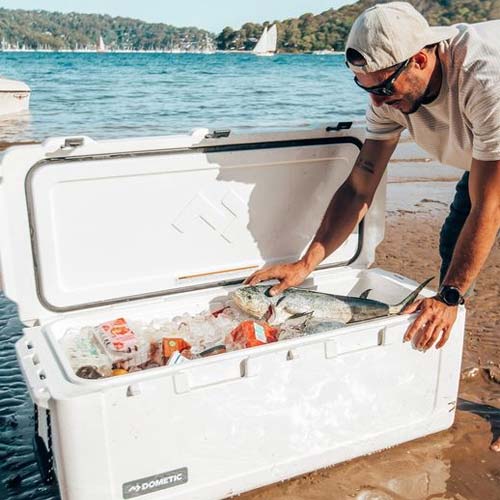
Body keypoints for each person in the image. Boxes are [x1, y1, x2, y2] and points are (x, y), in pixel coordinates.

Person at [244, 2, 500, 450]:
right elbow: (360, 183)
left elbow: (490, 205)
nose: (378, 102)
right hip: (488, 152)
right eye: (366, 88)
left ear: (420, 59)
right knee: (450, 247)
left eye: (384, 88)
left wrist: (452, 295)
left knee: (458, 279)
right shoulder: (387, 91)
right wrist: (306, 263)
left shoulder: (484, 79)